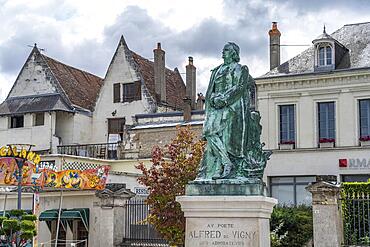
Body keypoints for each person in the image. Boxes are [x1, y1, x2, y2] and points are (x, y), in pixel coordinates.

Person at [196, 42, 257, 180]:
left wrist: (223, 99)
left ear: (234, 53)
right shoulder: (217, 70)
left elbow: (239, 87)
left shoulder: (241, 69)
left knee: (224, 137)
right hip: (216, 107)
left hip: (232, 107)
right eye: (223, 50)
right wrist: (212, 99)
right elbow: (211, 89)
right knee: (208, 131)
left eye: (226, 50)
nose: (223, 53)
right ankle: (226, 162)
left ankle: (220, 168)